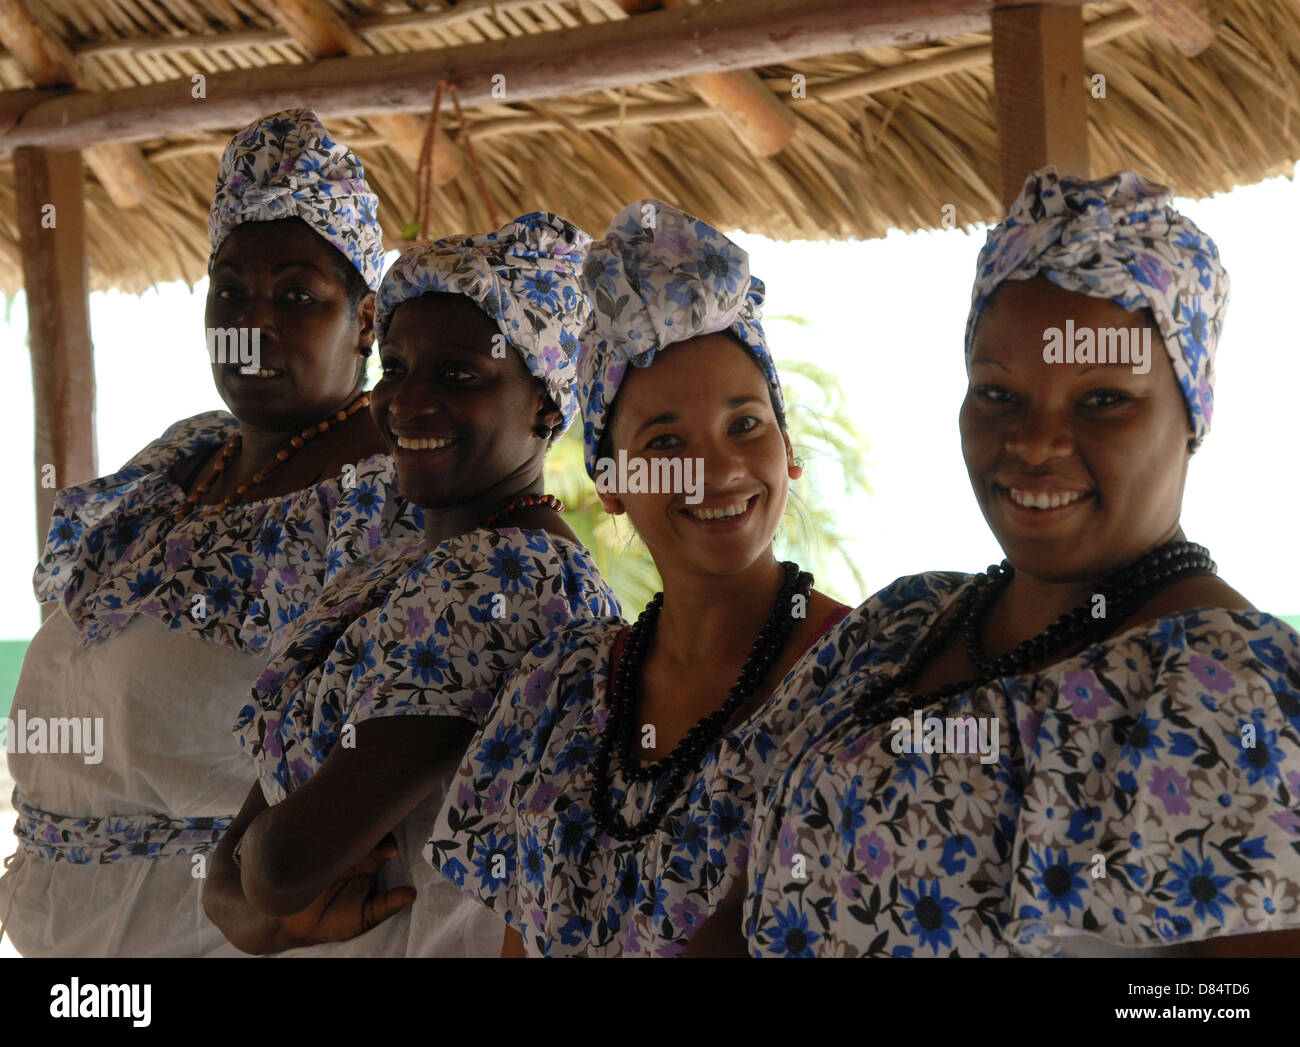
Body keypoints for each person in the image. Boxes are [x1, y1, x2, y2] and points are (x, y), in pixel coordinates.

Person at [726, 167, 1300, 957]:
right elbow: (745, 884)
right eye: (999, 394)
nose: (1033, 443)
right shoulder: (900, 628)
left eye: (1103, 400)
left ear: (1192, 414)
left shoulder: (1231, 690)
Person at [0, 109, 423, 957]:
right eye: (230, 288)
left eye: (296, 295)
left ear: (368, 317)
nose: (250, 321)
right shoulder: (179, 461)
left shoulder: (393, 495)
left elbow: (405, 747)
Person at [425, 200, 850, 956]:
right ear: (610, 481)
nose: (716, 469)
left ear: (788, 448)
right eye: (665, 441)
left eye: (745, 423)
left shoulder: (862, 677)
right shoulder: (556, 692)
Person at [202, 211, 621, 956]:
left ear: (549, 404)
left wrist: (259, 881)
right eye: (393, 367)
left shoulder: (518, 577)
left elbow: (282, 864)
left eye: (458, 375)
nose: (407, 402)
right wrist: (250, 883)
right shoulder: (397, 566)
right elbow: (233, 887)